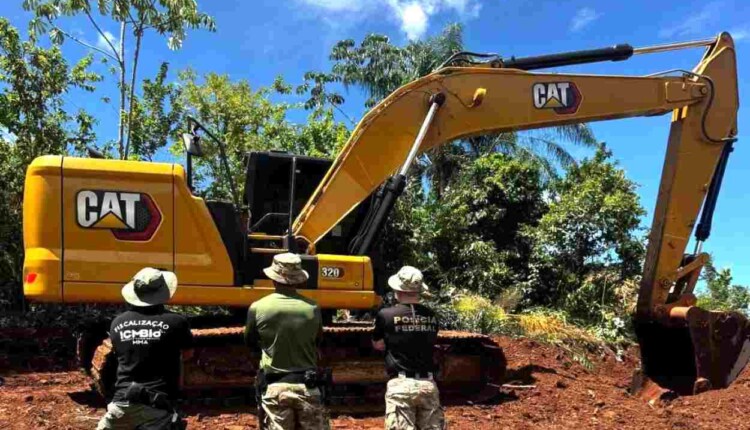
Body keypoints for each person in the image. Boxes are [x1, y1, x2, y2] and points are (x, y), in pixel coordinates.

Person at [96, 267, 193, 430]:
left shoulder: (117, 323)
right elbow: (188, 355)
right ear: (163, 292)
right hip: (156, 405)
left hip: (121, 403)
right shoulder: (177, 322)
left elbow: (122, 354)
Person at [245, 253, 330, 430]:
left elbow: (251, 343)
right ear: (298, 280)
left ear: (273, 279)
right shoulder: (313, 308)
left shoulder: (257, 307)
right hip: (307, 386)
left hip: (275, 387)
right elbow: (318, 342)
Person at [372, 266, 444, 430]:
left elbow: (378, 344)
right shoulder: (431, 315)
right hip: (428, 384)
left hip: (401, 385)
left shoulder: (386, 315)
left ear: (397, 290)